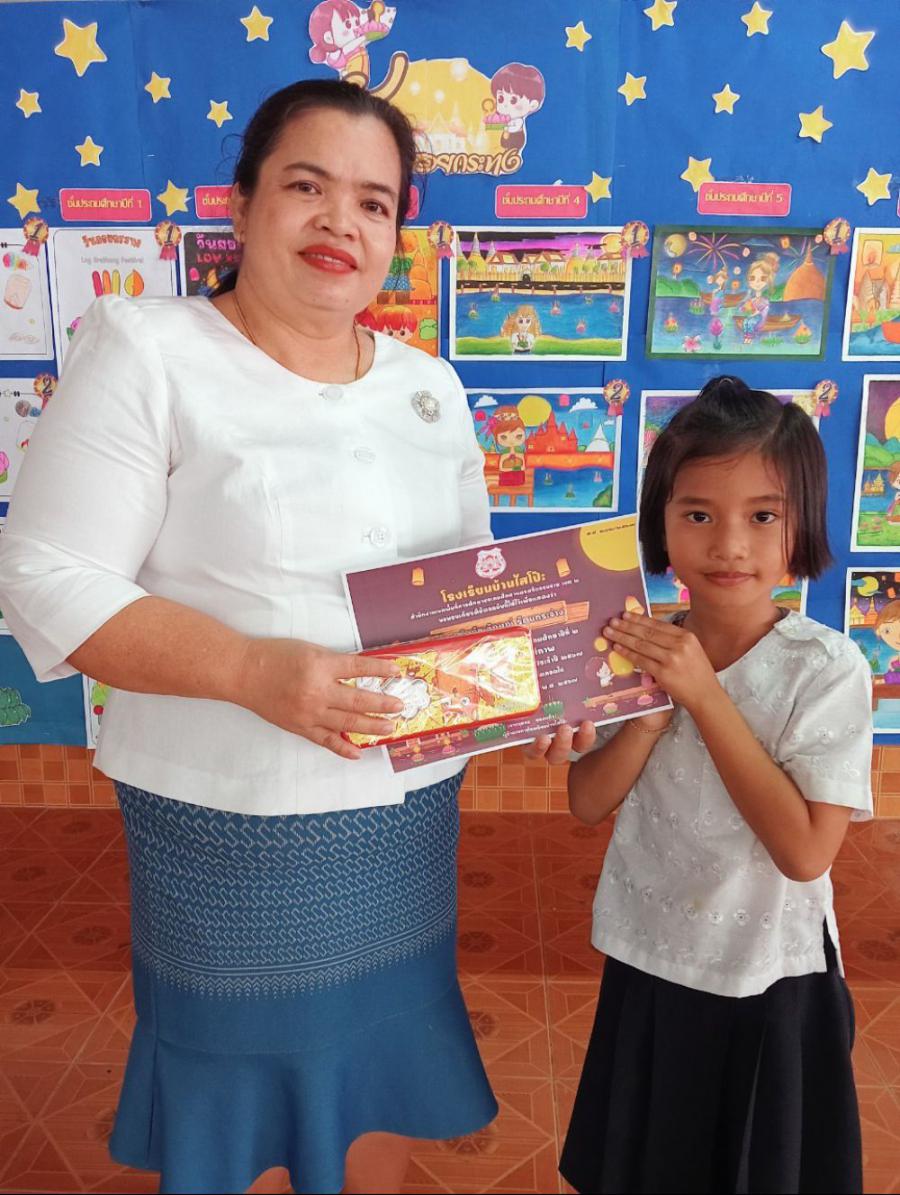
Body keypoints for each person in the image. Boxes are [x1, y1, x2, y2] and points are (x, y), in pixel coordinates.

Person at [0, 80, 497, 1195]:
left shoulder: (429, 387)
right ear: (240, 203)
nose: (340, 222)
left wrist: (537, 695)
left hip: (405, 819)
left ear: (397, 232)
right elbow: (43, 571)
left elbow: (468, 596)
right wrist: (247, 669)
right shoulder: (149, 349)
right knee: (242, 1113)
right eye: (307, 186)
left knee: (380, 1078)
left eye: (374, 202)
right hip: (233, 829)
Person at [526, 376, 871, 1193]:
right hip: (651, 955)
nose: (730, 545)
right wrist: (647, 718)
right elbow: (586, 801)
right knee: (650, 1161)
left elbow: (806, 852)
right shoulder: (641, 647)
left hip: (767, 976)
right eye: (698, 514)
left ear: (802, 524)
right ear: (660, 523)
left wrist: (704, 695)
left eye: (763, 515)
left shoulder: (826, 668)